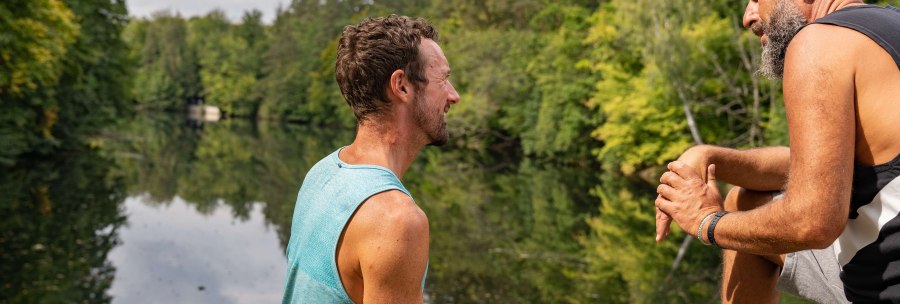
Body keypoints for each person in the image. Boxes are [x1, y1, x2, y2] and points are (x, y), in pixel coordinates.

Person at [655, 0, 900, 303]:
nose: (748, 17)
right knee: (745, 201)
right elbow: (821, 166)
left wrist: (706, 221)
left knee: (740, 212)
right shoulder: (885, 31)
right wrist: (710, 156)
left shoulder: (819, 41)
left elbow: (812, 221)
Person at [281, 15, 459, 303]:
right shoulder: (397, 221)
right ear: (401, 86)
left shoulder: (323, 172)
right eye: (443, 80)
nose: (454, 95)